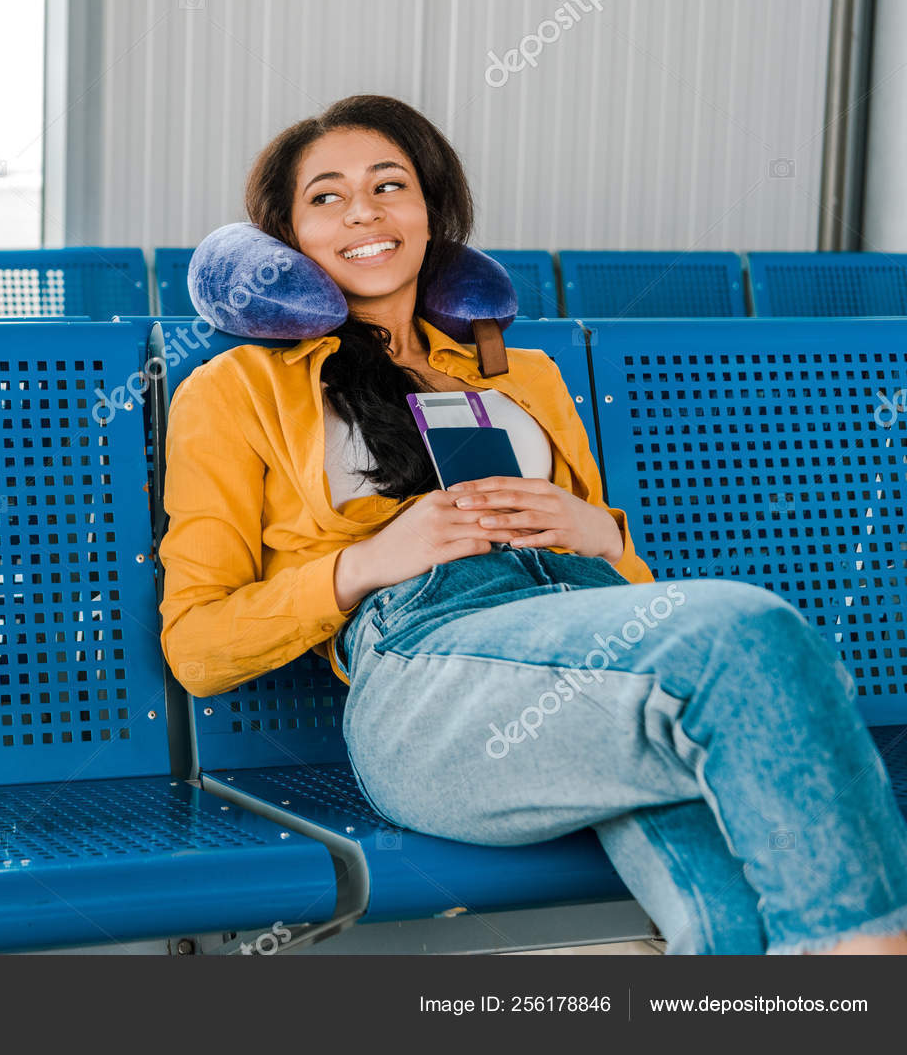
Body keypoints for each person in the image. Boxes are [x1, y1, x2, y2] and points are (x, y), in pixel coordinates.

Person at [157, 94, 907, 954]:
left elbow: (631, 601)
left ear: (432, 211)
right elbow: (198, 647)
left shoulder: (526, 375)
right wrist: (365, 564)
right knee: (754, 635)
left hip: (584, 651)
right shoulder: (237, 389)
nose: (362, 211)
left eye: (388, 185)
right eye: (325, 197)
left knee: (732, 920)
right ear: (286, 240)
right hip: (428, 680)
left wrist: (604, 536)